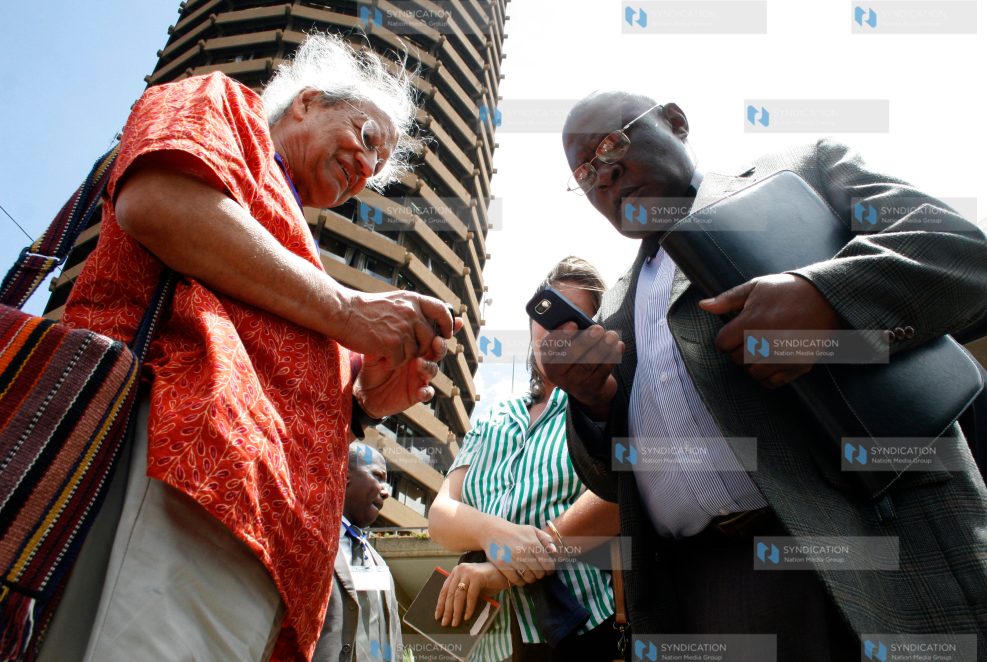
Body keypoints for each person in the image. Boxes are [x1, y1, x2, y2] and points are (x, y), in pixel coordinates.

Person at [540, 91, 987, 659]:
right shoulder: (615, 309)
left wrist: (825, 299)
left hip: (873, 553)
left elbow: (956, 250)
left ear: (676, 121)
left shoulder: (804, 171)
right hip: (709, 595)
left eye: (611, 144)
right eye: (585, 170)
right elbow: (608, 480)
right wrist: (593, 407)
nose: (605, 173)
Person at [39, 35, 460, 661]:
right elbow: (156, 201)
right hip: (183, 473)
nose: (368, 169)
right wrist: (346, 309)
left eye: (379, 167)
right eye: (367, 137)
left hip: (272, 539)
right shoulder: (223, 102)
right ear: (308, 103)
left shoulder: (297, 251)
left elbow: (303, 379)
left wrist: (368, 397)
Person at [428, 256, 621, 662]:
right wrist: (493, 534)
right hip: (483, 642)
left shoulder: (604, 404)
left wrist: (509, 566)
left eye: (577, 319)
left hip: (586, 628)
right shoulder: (494, 414)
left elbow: (619, 495)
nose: (559, 330)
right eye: (549, 313)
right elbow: (441, 513)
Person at [313, 443, 402, 662]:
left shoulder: (380, 565)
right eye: (378, 477)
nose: (386, 491)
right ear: (344, 474)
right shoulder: (309, 540)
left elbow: (391, 635)